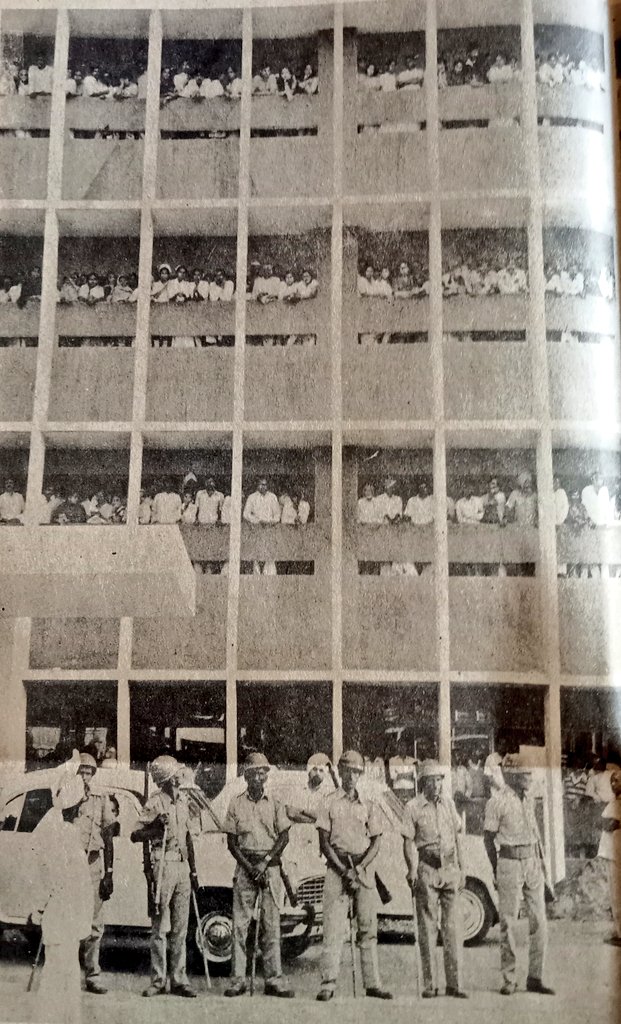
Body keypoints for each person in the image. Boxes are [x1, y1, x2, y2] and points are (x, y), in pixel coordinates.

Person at [315, 750, 392, 1001]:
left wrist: (357, 870)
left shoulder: (369, 803)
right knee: (333, 929)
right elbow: (324, 842)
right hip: (337, 868)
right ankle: (328, 983)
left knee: (368, 929)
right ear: (339, 771)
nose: (351, 776)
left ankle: (372, 983)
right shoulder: (328, 801)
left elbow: (376, 842)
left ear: (361, 774)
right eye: (347, 770)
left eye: (356, 771)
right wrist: (343, 870)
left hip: (363, 870)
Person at [223, 752, 294, 998]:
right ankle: (238, 980)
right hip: (245, 868)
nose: (259, 776)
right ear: (246, 775)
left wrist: (263, 863)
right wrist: (250, 866)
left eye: (263, 771)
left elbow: (284, 836)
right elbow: (231, 843)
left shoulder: (275, 802)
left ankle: (274, 979)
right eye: (254, 772)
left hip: (270, 867)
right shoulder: (235, 803)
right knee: (240, 927)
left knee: (271, 926)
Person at [483, 754, 554, 996]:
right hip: (509, 862)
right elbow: (488, 839)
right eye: (525, 774)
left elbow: (535, 833)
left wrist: (541, 866)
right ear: (513, 776)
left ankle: (535, 977)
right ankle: (509, 978)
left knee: (540, 922)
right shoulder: (497, 802)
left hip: (532, 862)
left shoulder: (529, 799)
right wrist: (496, 868)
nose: (530, 778)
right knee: (509, 923)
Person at [130, 755, 198, 998]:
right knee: (159, 928)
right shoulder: (155, 802)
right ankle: (158, 980)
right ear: (167, 778)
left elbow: (188, 836)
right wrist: (157, 826)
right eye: (177, 773)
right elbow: (135, 835)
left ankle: (179, 979)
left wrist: (194, 869)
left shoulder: (184, 800)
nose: (180, 776)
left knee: (181, 927)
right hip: (162, 866)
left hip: (182, 867)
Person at [30, 773, 94, 1024]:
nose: (81, 810)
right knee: (59, 973)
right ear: (74, 805)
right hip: (63, 912)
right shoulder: (62, 834)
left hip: (67, 913)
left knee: (63, 971)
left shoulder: (62, 830)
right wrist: (42, 907)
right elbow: (52, 876)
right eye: (80, 805)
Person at [402, 760, 467, 999]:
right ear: (423, 783)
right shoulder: (413, 807)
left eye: (440, 780)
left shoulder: (449, 804)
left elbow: (459, 836)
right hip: (427, 868)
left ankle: (455, 984)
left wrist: (462, 867)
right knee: (428, 929)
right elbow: (408, 841)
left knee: (453, 929)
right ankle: (430, 985)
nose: (437, 785)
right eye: (432, 780)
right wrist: (411, 869)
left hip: (449, 868)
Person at [60, 753, 118, 995]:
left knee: (95, 924)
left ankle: (92, 975)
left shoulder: (101, 798)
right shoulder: (67, 797)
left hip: (93, 864)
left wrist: (109, 873)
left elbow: (108, 835)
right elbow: (60, 825)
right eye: (81, 771)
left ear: (94, 774)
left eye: (88, 771)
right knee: (69, 920)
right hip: (71, 864)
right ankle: (67, 974)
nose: (85, 775)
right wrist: (75, 799)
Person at [598, 768, 621, 946]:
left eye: (617, 781)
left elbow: (608, 823)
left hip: (618, 855)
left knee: (617, 894)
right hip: (614, 854)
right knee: (615, 894)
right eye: (612, 781)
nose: (614, 784)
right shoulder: (614, 803)